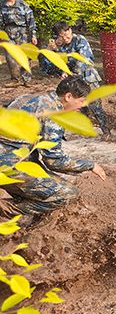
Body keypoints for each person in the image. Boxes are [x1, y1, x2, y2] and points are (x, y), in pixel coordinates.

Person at [0, 76, 107, 226]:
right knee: (67, 194)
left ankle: (29, 227)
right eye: (81, 100)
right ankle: (7, 210)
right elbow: (54, 161)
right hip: (9, 164)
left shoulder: (31, 98)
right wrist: (90, 165)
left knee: (42, 190)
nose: (82, 106)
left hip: (12, 158)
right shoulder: (54, 113)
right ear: (68, 96)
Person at [45, 21, 111, 138]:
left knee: (95, 106)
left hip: (88, 78)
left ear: (70, 30)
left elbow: (82, 60)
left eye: (67, 33)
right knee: (78, 106)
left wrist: (70, 73)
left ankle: (106, 132)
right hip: (73, 81)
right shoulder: (59, 46)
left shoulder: (80, 40)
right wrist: (51, 51)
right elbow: (51, 65)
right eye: (62, 36)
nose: (66, 38)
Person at [0, 0, 37, 85]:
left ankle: (26, 80)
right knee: (10, 57)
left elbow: (31, 21)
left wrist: (33, 35)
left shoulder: (23, 5)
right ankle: (15, 79)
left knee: (25, 56)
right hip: (8, 33)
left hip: (23, 33)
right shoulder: (1, 5)